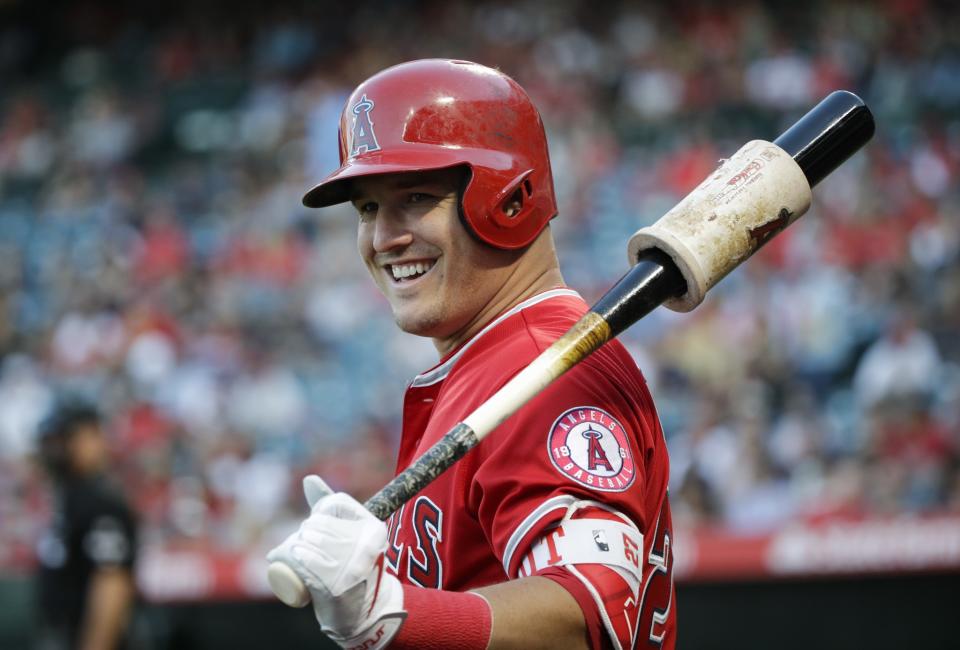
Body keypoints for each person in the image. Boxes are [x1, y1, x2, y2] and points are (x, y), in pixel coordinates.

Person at [268, 59, 675, 650]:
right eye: (367, 209)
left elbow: (588, 609)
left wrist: (389, 611)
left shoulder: (544, 371)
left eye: (414, 197)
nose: (384, 238)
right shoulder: (495, 364)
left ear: (507, 199)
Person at [34, 401, 138, 650]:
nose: (56, 449)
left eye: (66, 438)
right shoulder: (67, 499)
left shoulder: (101, 506)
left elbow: (111, 586)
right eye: (52, 440)